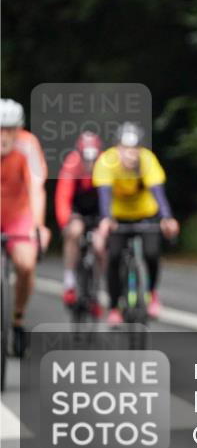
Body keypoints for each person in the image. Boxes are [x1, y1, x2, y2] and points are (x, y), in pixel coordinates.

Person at [93, 122, 179, 325]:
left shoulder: (148, 161)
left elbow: (158, 192)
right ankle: (114, 307)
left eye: (134, 149)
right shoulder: (107, 161)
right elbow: (104, 196)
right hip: (117, 217)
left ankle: (152, 294)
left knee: (151, 253)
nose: (130, 154)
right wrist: (106, 219)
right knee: (113, 257)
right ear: (117, 148)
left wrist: (167, 218)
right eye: (125, 149)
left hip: (145, 214)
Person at [0, 98, 50, 357]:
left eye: (9, 129)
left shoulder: (28, 145)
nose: (4, 136)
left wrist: (38, 225)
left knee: (26, 263)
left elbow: (36, 189)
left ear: (18, 129)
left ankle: (18, 319)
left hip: (18, 213)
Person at [55, 131, 106, 313]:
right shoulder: (72, 164)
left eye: (93, 157)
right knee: (74, 232)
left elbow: (111, 197)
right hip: (77, 212)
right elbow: (62, 198)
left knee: (101, 245)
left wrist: (107, 222)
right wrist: (66, 223)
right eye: (86, 157)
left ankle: (97, 289)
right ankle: (69, 282)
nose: (90, 163)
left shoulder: (105, 164)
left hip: (99, 212)